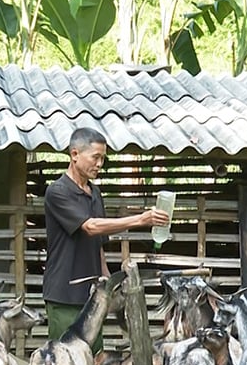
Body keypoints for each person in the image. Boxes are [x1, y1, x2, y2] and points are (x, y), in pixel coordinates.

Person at [42, 126, 170, 350]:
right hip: (64, 294)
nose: (99, 164)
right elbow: (90, 227)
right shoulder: (57, 191)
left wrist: (108, 281)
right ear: (74, 154)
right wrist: (141, 219)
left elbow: (98, 242)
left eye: (103, 158)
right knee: (65, 362)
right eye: (95, 157)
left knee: (93, 359)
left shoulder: (95, 193)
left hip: (93, 295)